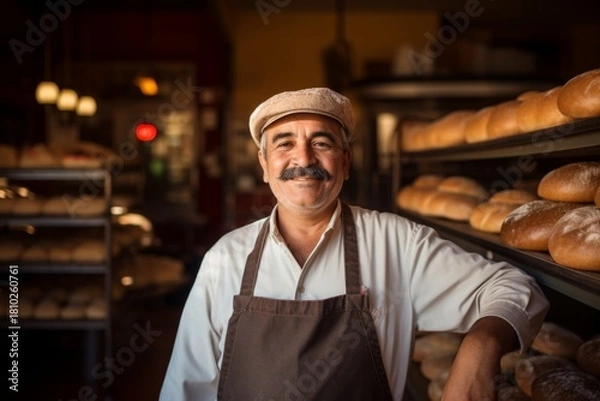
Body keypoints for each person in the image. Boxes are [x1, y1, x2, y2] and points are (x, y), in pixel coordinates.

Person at [160, 87, 549, 401]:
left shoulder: (397, 243)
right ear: (263, 165)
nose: (303, 158)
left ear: (345, 162)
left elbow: (517, 287)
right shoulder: (224, 259)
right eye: (284, 144)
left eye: (322, 143)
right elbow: (185, 388)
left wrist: (479, 350)